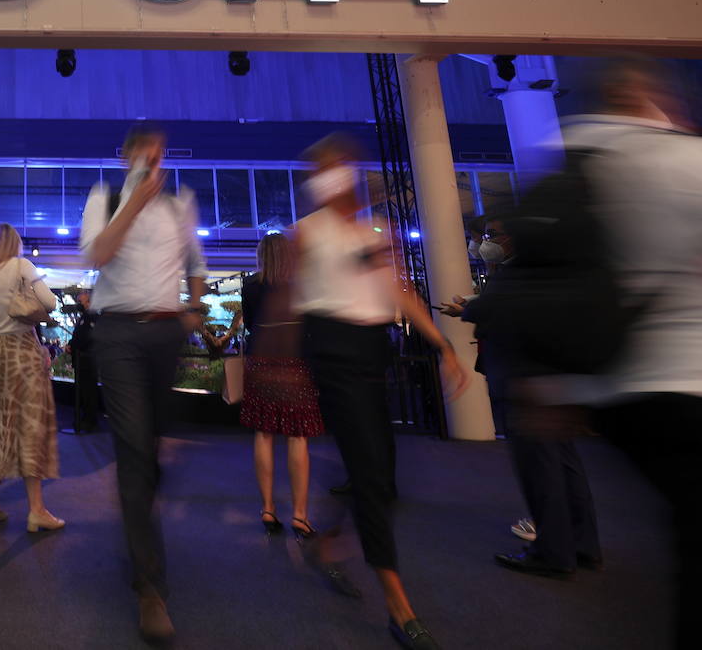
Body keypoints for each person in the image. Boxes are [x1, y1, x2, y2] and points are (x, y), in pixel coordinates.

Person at [293, 133, 468, 650]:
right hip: (333, 356)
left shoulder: (375, 232)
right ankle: (398, 604)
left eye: (346, 167)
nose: (342, 177)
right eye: (330, 169)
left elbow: (397, 289)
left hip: (373, 355)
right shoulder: (308, 232)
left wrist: (442, 344)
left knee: (379, 475)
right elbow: (290, 301)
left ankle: (326, 545)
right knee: (371, 476)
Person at [558, 58, 701, 648]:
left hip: (614, 387)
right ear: (652, 99)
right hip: (688, 375)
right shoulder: (685, 162)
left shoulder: (575, 165)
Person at [79, 123, 209, 644]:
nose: (153, 159)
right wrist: (135, 202)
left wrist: (194, 309)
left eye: (159, 152)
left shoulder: (183, 202)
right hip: (116, 334)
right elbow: (97, 256)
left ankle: (142, 498)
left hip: (165, 333)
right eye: (142, 152)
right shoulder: (106, 196)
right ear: (126, 156)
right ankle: (149, 588)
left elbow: (196, 261)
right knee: (134, 450)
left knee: (150, 447)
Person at [449, 212, 603, 580]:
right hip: (552, 382)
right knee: (566, 467)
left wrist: (465, 308)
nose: (486, 242)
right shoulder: (550, 274)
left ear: (513, 240)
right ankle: (583, 545)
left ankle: (552, 553)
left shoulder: (516, 274)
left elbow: (489, 309)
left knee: (541, 471)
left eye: (492, 235)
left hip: (522, 384)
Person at [0, 223, 62, 532]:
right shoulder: (22, 266)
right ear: (15, 245)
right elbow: (49, 303)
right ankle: (36, 510)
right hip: (23, 351)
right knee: (30, 424)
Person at [237, 233, 324, 539]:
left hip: (261, 363)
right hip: (295, 364)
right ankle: (300, 515)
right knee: (297, 437)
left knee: (263, 434)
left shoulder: (251, 285)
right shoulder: (301, 285)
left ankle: (268, 508)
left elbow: (249, 324)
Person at [67, 288, 101, 434]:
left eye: (80, 302)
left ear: (89, 302)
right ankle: (85, 419)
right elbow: (79, 335)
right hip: (82, 359)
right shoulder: (84, 316)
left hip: (88, 359)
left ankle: (90, 421)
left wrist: (74, 345)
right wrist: (71, 343)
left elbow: (87, 337)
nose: (78, 304)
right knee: (84, 392)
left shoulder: (92, 316)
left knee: (89, 392)